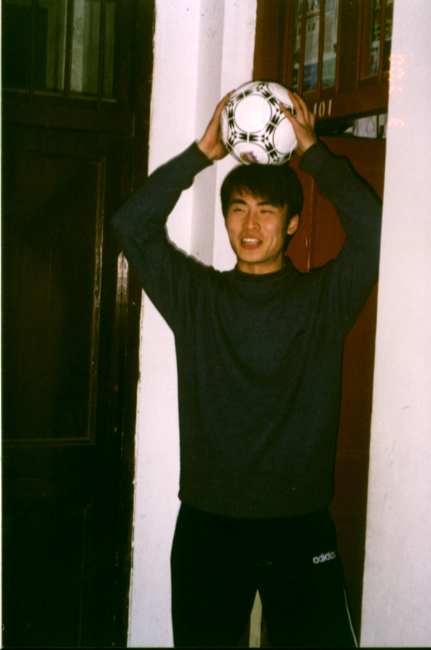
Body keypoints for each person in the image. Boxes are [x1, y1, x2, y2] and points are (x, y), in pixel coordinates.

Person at [112, 90, 381, 648]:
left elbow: (374, 228)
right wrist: (200, 155)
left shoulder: (324, 300)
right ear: (227, 220)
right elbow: (131, 225)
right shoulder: (197, 297)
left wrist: (313, 152)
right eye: (238, 209)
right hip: (210, 525)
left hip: (299, 524)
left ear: (292, 223)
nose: (250, 225)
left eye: (267, 210)